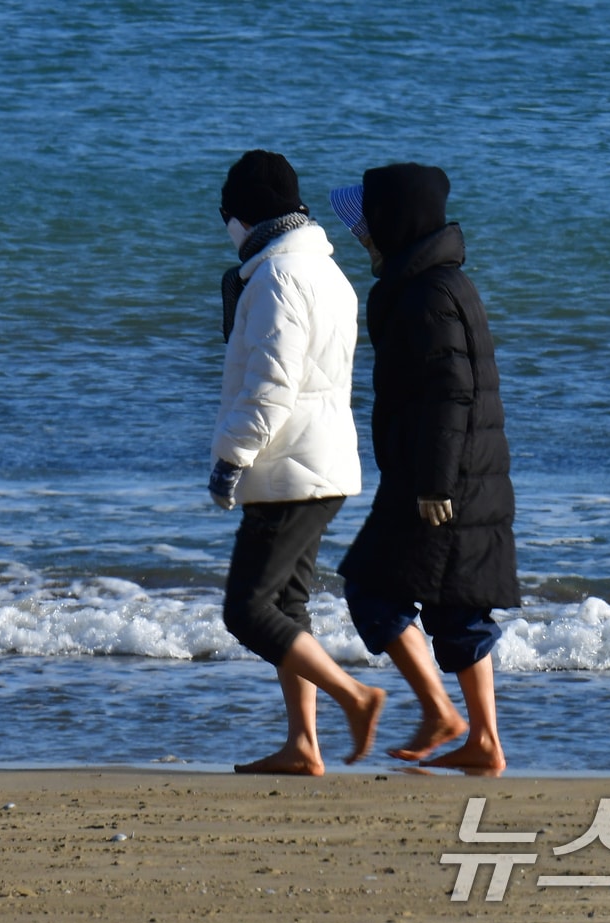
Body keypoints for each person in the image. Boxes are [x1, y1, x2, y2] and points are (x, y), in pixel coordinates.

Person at [328, 163, 519, 773]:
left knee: (370, 588)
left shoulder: (424, 295)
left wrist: (434, 483)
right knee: (456, 605)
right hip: (457, 472)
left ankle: (444, 714)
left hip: (439, 478)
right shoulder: (440, 283)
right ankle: (482, 740)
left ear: (396, 223)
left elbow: (450, 392)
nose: (362, 235)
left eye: (369, 223)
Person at [210, 149, 386, 776]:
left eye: (226, 213)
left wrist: (232, 458)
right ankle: (304, 745)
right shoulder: (324, 271)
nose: (224, 224)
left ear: (245, 215)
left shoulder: (279, 276)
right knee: (287, 605)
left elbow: (272, 384)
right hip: (321, 460)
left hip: (289, 466)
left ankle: (354, 696)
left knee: (247, 611)